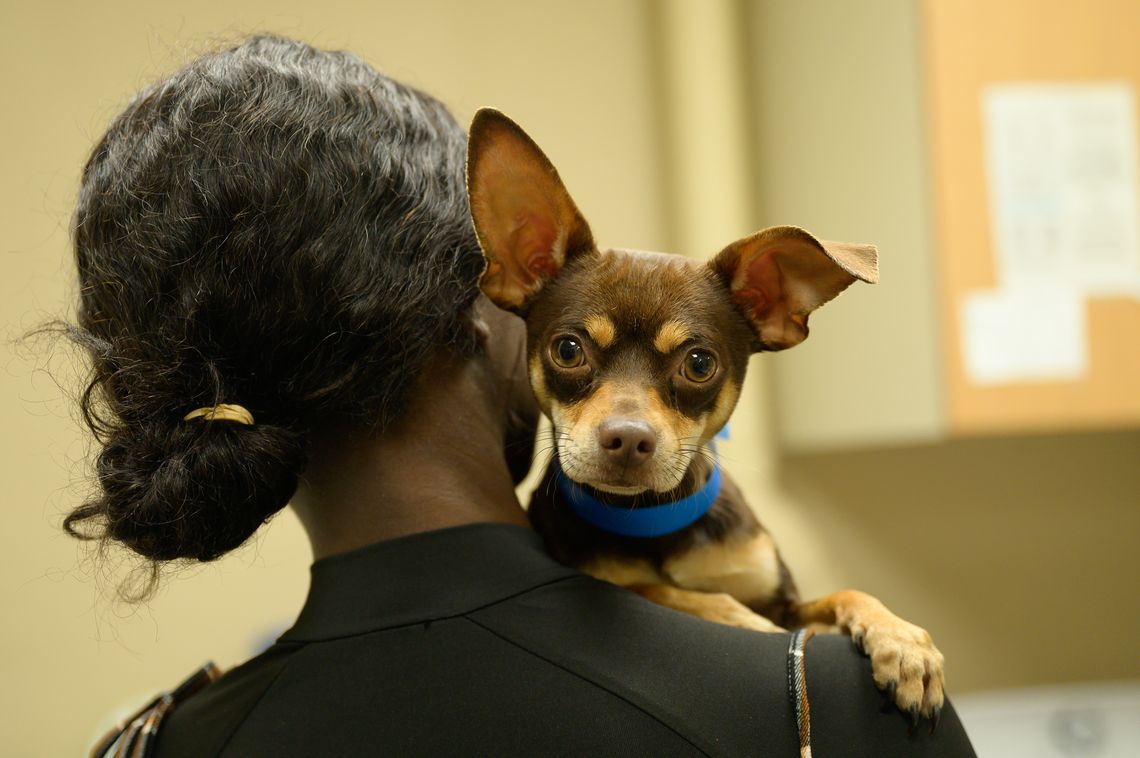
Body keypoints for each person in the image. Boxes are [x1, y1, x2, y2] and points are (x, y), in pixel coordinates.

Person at [68, 35, 976, 757]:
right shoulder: (825, 702)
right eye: (575, 345)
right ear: (482, 298)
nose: (627, 418)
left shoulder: (149, 743)